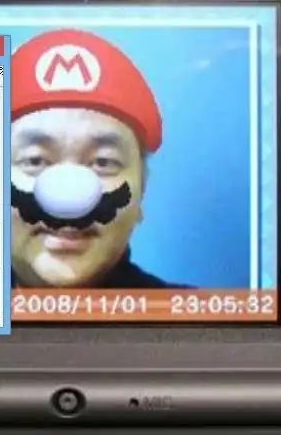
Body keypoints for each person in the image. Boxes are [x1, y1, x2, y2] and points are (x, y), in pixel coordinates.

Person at [10, 28, 182, 288]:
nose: (69, 199)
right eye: (35, 161)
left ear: (142, 191)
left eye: (103, 162)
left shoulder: (190, 311)